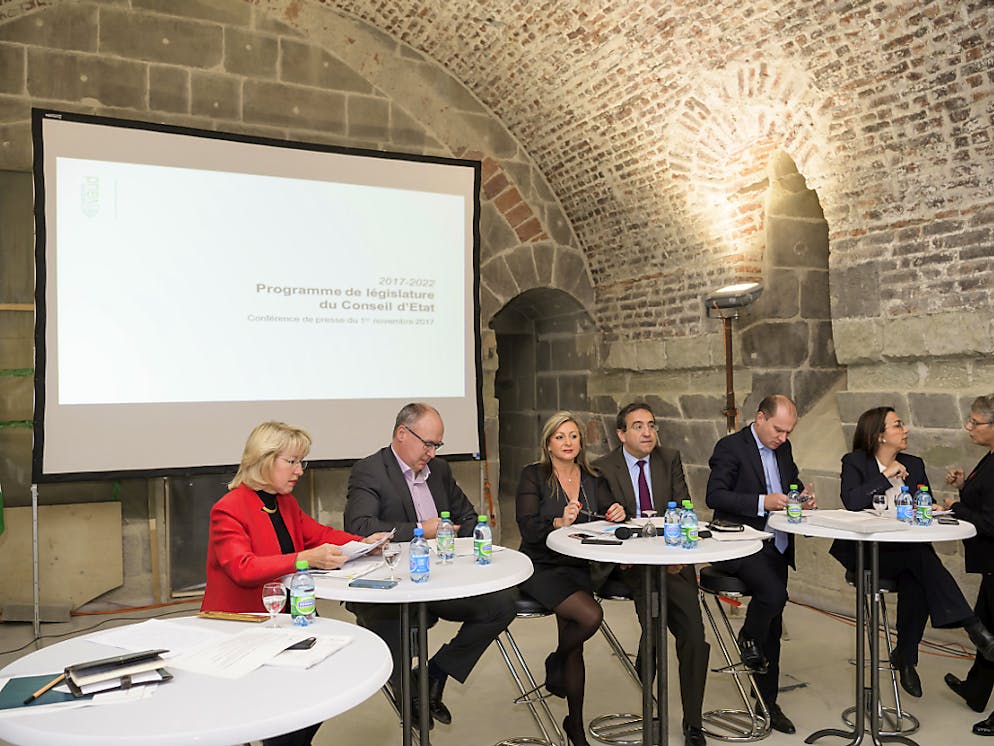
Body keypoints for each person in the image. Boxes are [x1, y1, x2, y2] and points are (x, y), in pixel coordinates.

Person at [202, 420, 388, 746]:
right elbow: (242, 568)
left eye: (302, 462)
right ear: (263, 460)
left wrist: (363, 542)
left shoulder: (284, 502)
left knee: (329, 683)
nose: (299, 471)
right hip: (243, 624)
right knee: (288, 710)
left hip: (289, 617)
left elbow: (319, 535)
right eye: (292, 461)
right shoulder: (228, 509)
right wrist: (304, 558)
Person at [344, 402, 516, 729]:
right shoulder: (371, 470)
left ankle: (434, 672)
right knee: (399, 648)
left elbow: (467, 518)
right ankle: (407, 689)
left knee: (502, 604)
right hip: (391, 589)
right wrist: (422, 529)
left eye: (437, 445)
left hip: (440, 580)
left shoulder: (440, 470)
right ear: (402, 433)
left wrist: (459, 537)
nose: (432, 453)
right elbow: (361, 528)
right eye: (427, 444)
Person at [829, 406, 994, 699]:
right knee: (921, 560)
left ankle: (906, 657)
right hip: (868, 553)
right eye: (897, 425)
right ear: (879, 435)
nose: (905, 430)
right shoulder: (855, 462)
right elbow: (852, 501)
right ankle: (969, 626)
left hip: (907, 553)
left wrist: (933, 507)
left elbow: (923, 503)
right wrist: (886, 477)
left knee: (917, 577)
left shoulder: (914, 464)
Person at [593, 402, 709, 746]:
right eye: (638, 426)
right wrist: (612, 515)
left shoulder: (668, 458)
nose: (648, 433)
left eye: (652, 425)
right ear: (621, 434)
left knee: (694, 637)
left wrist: (675, 554)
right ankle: (650, 683)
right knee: (655, 625)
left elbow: (684, 507)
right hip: (632, 563)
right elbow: (602, 519)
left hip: (673, 560)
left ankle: (693, 723)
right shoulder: (603, 468)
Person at [705, 394, 816, 735]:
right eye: (778, 430)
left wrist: (800, 498)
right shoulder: (730, 447)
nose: (783, 437)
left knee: (774, 627)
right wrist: (761, 502)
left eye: (789, 431)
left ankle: (766, 702)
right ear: (760, 418)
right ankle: (747, 637)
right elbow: (715, 496)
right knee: (774, 596)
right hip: (740, 542)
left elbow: (789, 483)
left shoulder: (783, 447)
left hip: (776, 543)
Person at [516, 411, 626, 746]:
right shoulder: (534, 475)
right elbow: (527, 527)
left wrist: (618, 512)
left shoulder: (593, 477)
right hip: (540, 565)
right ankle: (557, 660)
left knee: (574, 646)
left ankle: (574, 725)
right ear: (548, 444)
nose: (568, 442)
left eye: (574, 436)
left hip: (577, 566)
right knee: (590, 616)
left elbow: (610, 516)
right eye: (560, 436)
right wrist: (558, 522)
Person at [942, 395, 994, 736]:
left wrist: (954, 508)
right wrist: (963, 487)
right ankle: (976, 691)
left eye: (975, 422)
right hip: (990, 564)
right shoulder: (989, 457)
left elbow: (990, 522)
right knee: (986, 629)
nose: (968, 426)